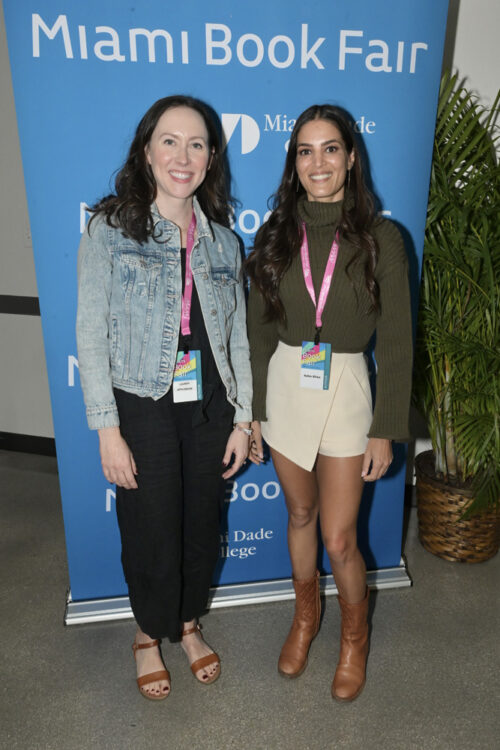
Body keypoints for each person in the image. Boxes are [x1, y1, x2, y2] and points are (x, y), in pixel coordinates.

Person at [76, 95, 252, 701]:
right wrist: (107, 427)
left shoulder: (227, 244)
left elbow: (239, 341)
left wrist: (243, 419)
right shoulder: (110, 229)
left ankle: (187, 622)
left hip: (211, 407)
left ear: (211, 158)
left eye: (197, 143)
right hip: (143, 404)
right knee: (152, 526)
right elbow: (89, 333)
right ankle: (148, 634)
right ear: (147, 151)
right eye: (170, 141)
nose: (184, 156)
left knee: (202, 525)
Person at [246, 104, 412, 702]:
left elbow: (395, 338)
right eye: (305, 151)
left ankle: (353, 637)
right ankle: (305, 617)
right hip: (288, 384)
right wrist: (256, 412)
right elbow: (260, 332)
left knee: (340, 538)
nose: (318, 162)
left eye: (331, 148)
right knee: (298, 516)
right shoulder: (273, 235)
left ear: (350, 158)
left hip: (346, 390)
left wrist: (385, 428)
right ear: (294, 164)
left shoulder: (382, 239)